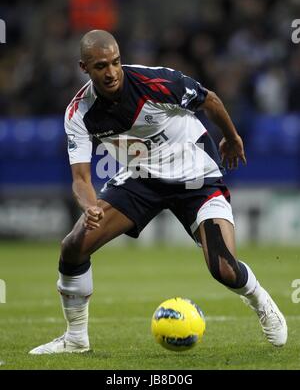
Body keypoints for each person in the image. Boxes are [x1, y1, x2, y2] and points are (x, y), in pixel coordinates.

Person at [29, 30, 287, 354]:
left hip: (197, 177)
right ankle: (76, 339)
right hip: (143, 179)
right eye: (100, 67)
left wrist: (232, 138)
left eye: (115, 63)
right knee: (73, 247)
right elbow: (80, 178)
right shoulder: (79, 113)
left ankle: (260, 300)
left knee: (223, 268)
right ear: (84, 68)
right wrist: (89, 205)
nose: (110, 72)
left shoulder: (156, 82)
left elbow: (210, 100)